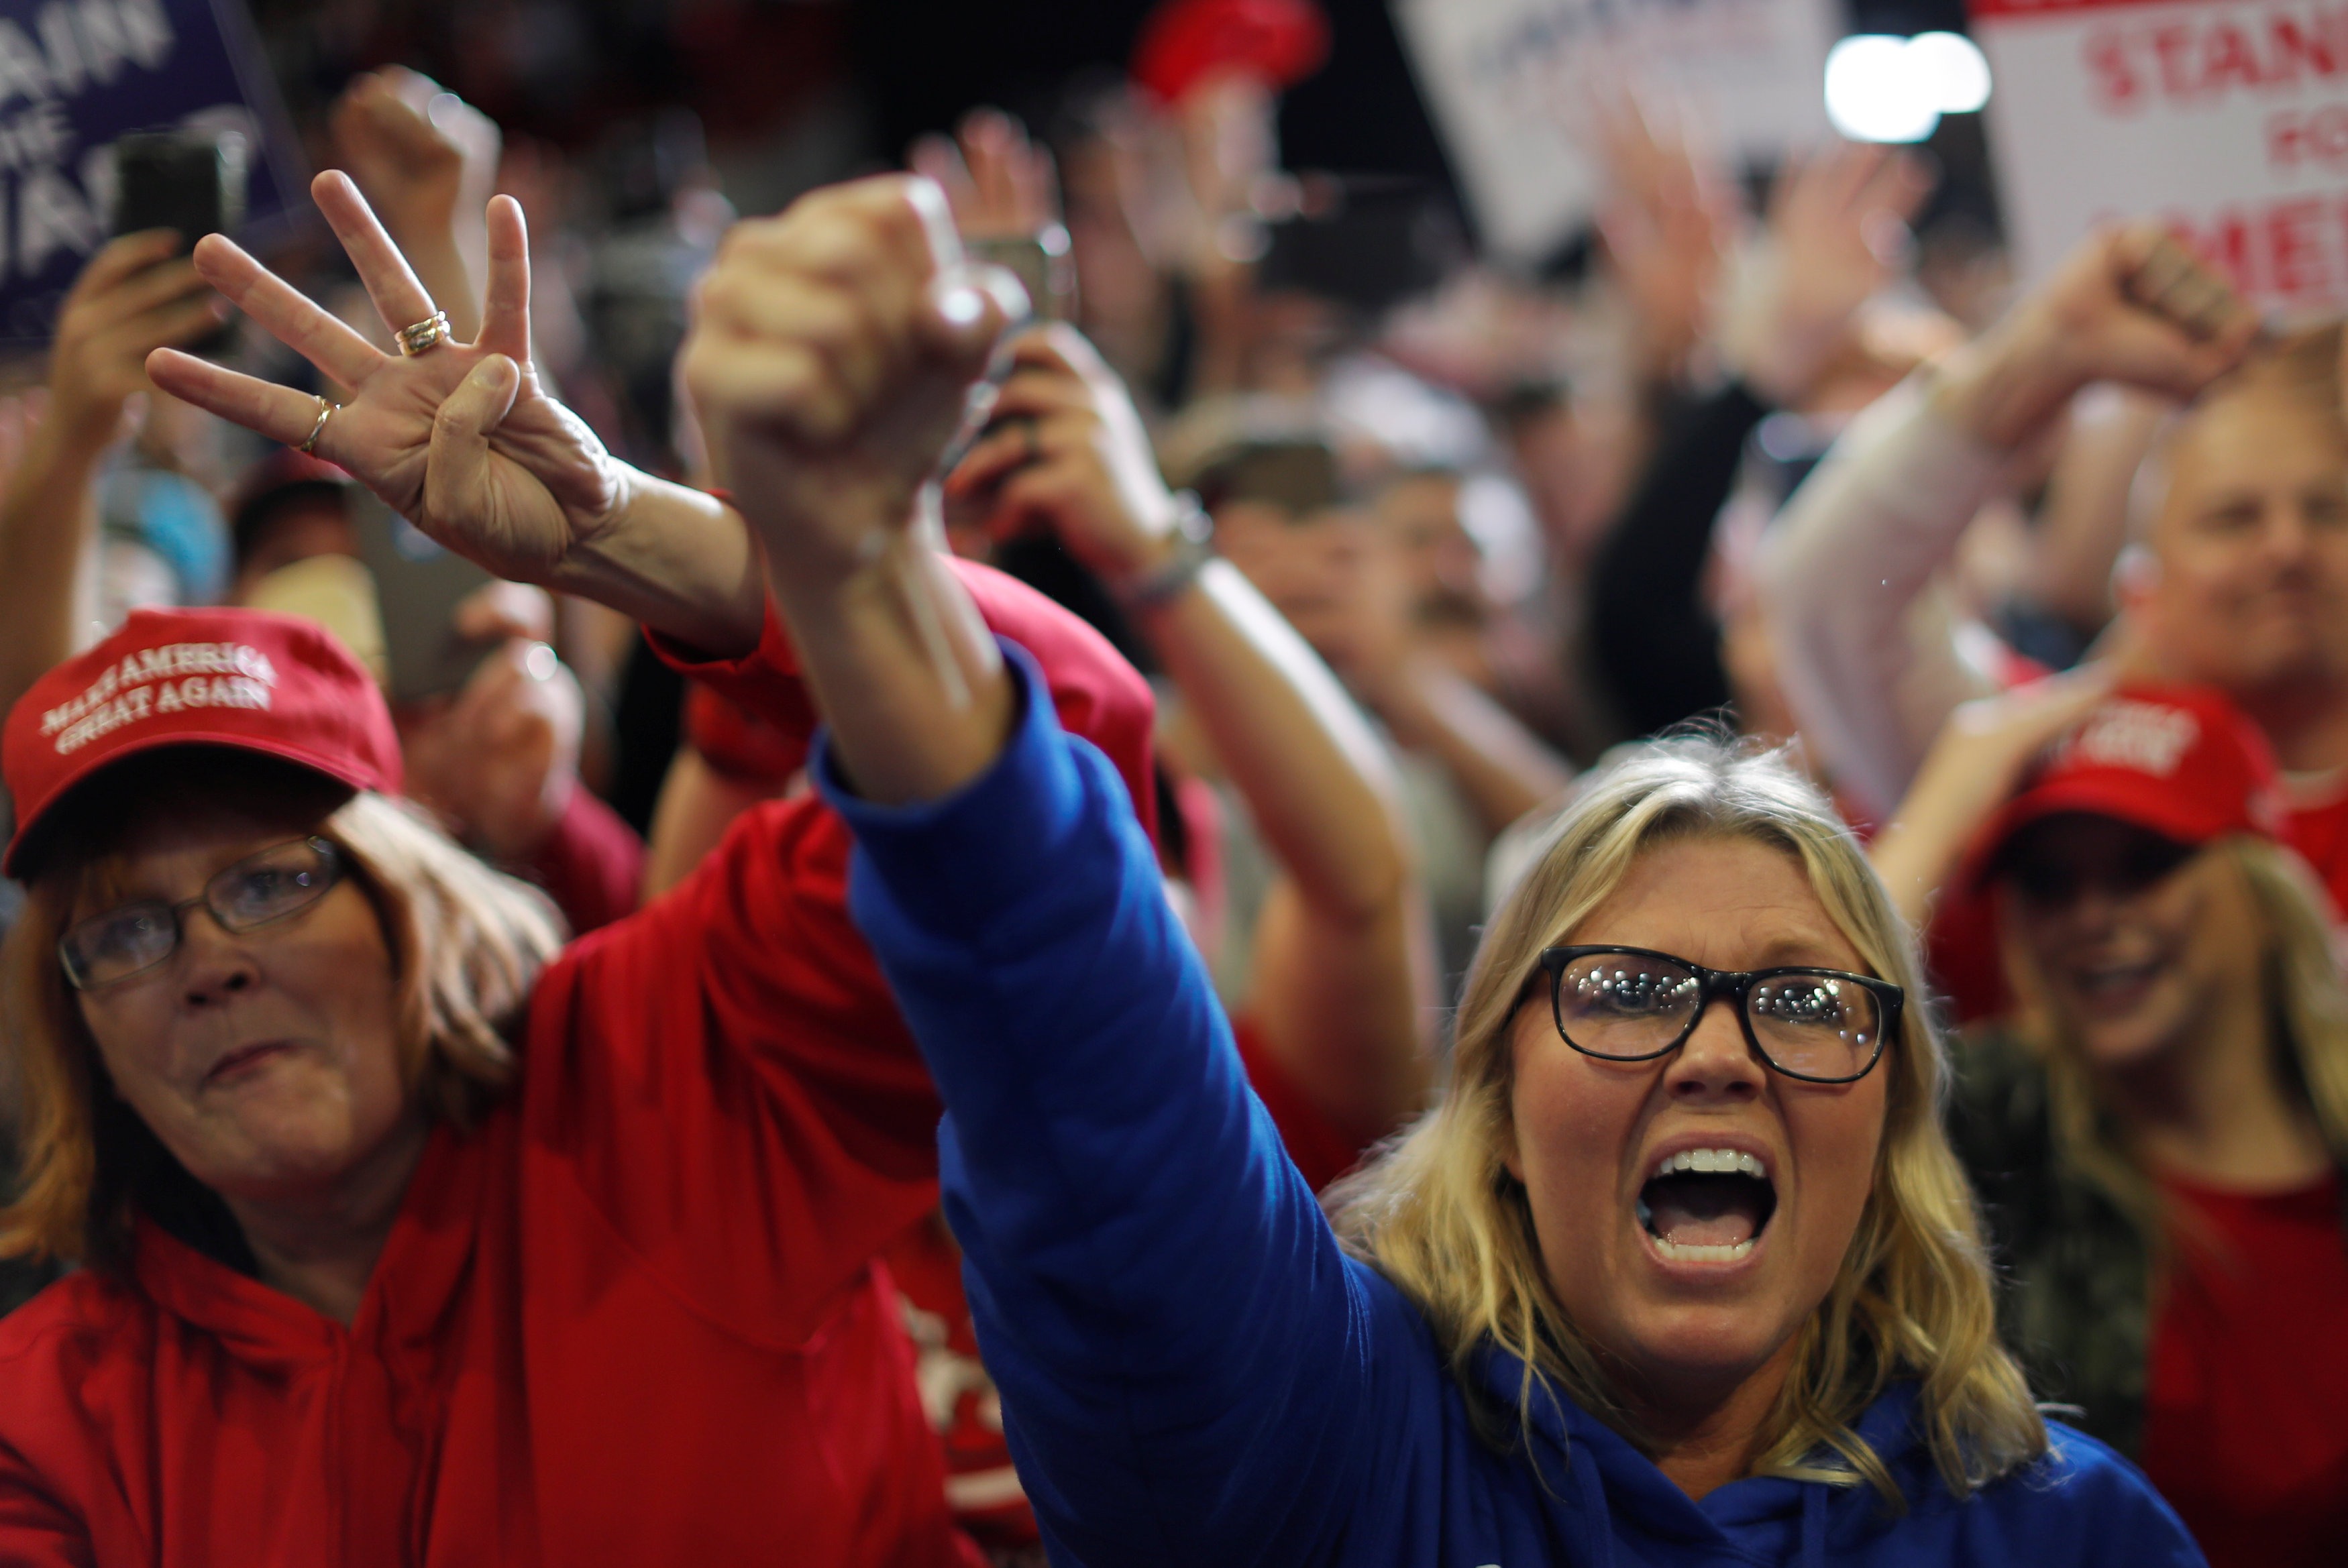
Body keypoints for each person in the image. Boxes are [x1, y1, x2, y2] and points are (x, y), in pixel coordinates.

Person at [676, 168, 2202, 1565]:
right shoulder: (1326, 1445)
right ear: (1499, 1109)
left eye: (1804, 999)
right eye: (1624, 987)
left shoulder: (2068, 1533)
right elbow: (1095, 1090)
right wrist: (862, 571)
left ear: (1890, 1120)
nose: (1722, 1050)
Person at [0, 170, 1155, 1565]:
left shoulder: (679, 1077)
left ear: (415, 891)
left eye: (270, 878)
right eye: (123, 935)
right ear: (77, 1027)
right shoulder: (47, 1410)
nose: (207, 961)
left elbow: (1063, 741)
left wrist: (619, 530)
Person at [1869, 679, 2348, 1566]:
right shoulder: (1998, 1133)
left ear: (2261, 878)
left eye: (2143, 864)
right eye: (2051, 883)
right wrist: (1953, 787)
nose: (2092, 916)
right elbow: (1808, 1058)